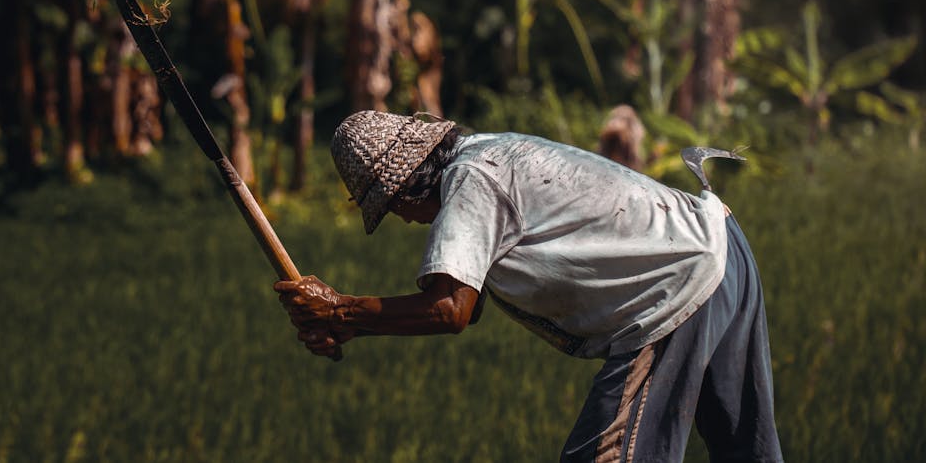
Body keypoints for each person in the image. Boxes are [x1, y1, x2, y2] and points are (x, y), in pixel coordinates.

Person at [275, 110, 783, 462]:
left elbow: (449, 311)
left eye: (392, 210)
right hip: (721, 241)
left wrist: (340, 312)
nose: (405, 223)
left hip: (675, 286)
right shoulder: (490, 152)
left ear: (406, 186)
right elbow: (466, 306)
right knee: (746, 451)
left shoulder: (472, 181)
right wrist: (349, 323)